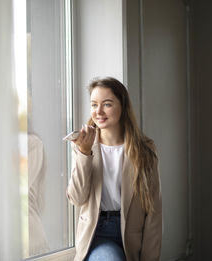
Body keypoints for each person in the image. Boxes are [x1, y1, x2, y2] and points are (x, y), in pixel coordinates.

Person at [66, 77, 162, 261]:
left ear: (123, 107)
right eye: (94, 105)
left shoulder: (145, 150)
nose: (98, 111)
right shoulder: (82, 145)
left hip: (133, 237)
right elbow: (77, 198)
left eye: (107, 104)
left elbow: (154, 212)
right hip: (97, 234)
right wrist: (84, 154)